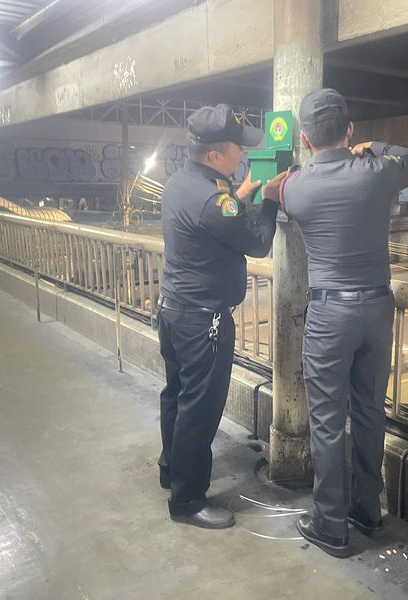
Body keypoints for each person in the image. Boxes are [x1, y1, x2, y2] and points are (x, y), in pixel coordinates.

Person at [280, 88, 408, 557]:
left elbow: (270, 194)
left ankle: (330, 524)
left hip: (330, 313)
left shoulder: (296, 187)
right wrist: (374, 146)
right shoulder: (376, 171)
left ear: (306, 139)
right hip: (377, 309)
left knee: (327, 421)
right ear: (349, 130)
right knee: (368, 411)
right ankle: (368, 509)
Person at [157, 104, 287, 529]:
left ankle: (171, 470)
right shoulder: (215, 200)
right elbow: (258, 242)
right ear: (214, 155)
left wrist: (242, 193)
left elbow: (217, 216)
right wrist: (269, 200)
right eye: (237, 148)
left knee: (177, 395)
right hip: (204, 322)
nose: (243, 154)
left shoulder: (181, 182)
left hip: (174, 312)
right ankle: (187, 501)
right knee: (199, 409)